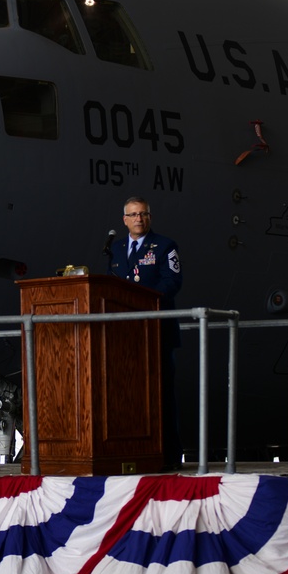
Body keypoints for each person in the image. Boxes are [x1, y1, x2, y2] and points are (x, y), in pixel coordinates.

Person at [107, 196, 184, 469]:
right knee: (128, 394)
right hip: (126, 336)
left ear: (149, 217)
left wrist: (140, 303)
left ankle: (170, 457)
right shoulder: (116, 250)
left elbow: (172, 282)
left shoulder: (165, 246)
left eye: (143, 214)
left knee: (161, 395)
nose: (139, 219)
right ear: (125, 220)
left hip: (157, 331)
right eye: (133, 215)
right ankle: (134, 453)